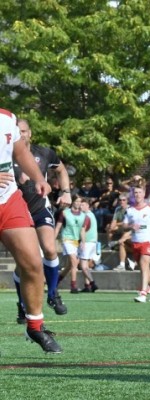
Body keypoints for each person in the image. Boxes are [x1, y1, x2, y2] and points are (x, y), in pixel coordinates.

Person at [0, 108, 61, 353]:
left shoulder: (7, 118)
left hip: (8, 200)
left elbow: (20, 151)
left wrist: (39, 178)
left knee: (33, 263)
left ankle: (35, 325)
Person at [12, 118, 71, 322]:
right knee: (24, 262)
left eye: (24, 131)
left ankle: (53, 293)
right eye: (17, 131)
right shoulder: (6, 154)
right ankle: (22, 303)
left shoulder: (44, 153)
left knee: (50, 249)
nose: (21, 135)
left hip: (39, 208)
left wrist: (66, 192)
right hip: (17, 212)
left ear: (30, 133)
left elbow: (61, 170)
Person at [123, 184, 150, 303]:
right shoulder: (130, 210)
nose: (137, 195)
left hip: (148, 241)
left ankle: (143, 293)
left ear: (144, 194)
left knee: (144, 264)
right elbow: (124, 225)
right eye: (135, 192)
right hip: (136, 242)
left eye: (139, 192)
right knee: (144, 269)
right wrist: (131, 226)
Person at [55, 195, 86, 294]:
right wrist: (52, 239)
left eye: (80, 202)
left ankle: (55, 282)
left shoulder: (83, 215)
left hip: (75, 241)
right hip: (66, 239)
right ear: (73, 202)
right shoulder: (65, 213)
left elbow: (82, 230)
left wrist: (83, 242)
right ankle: (73, 286)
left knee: (69, 266)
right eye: (76, 201)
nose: (78, 203)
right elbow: (58, 227)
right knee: (74, 262)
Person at [77, 200, 99, 293]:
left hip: (87, 242)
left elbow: (82, 230)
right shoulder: (92, 215)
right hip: (92, 242)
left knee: (83, 266)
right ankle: (87, 286)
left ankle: (92, 283)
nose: (80, 206)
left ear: (88, 206)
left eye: (83, 204)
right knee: (85, 264)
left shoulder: (86, 216)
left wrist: (83, 242)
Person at [108, 192, 135, 271]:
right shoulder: (118, 209)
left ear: (127, 201)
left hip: (130, 231)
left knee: (125, 233)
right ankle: (122, 264)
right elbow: (114, 221)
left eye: (124, 200)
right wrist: (112, 226)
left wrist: (117, 224)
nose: (122, 202)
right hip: (123, 228)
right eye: (120, 200)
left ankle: (116, 243)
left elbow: (129, 223)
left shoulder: (130, 209)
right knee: (109, 228)